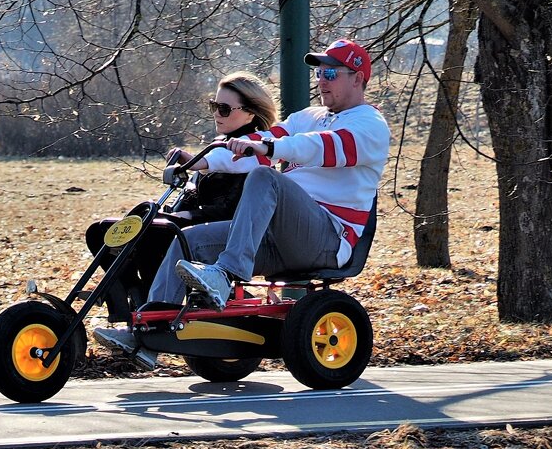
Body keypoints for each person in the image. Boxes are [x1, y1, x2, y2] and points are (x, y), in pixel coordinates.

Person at [96, 39, 390, 357]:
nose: (321, 80)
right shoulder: (311, 116)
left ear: (358, 78)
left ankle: (228, 274)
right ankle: (148, 333)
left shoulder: (369, 126)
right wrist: (201, 162)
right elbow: (264, 139)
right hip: (281, 239)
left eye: (331, 73)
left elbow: (319, 147)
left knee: (266, 178)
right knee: (188, 239)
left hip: (328, 239)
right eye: (318, 72)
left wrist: (270, 149)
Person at [90, 72, 277, 338]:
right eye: (214, 106)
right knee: (101, 232)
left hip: (224, 228)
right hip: (196, 217)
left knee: (157, 231)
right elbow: (208, 171)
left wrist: (195, 161)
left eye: (224, 108)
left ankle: (153, 317)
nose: (217, 114)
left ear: (250, 113)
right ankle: (131, 305)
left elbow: (231, 161)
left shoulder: (257, 147)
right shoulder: (219, 145)